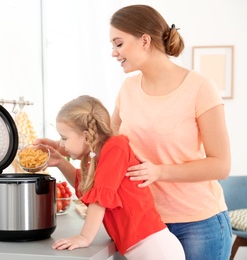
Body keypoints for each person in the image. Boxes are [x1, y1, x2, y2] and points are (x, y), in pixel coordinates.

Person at [36, 4, 232, 260]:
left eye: (118, 43)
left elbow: (221, 166)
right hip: (145, 226)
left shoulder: (199, 88)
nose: (113, 53)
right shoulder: (128, 89)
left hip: (198, 223)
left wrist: (160, 171)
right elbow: (105, 148)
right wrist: (62, 149)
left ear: (145, 40)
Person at [47, 95, 185, 260]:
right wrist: (60, 162)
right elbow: (86, 186)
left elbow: (100, 197)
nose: (61, 144)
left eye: (64, 137)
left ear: (85, 136)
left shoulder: (115, 147)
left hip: (156, 250)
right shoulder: (99, 156)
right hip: (146, 249)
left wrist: (84, 237)